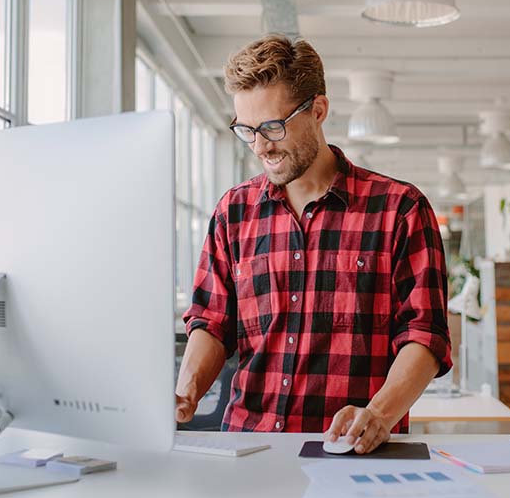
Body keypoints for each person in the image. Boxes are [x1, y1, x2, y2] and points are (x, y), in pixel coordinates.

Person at [176, 34, 451, 454]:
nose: (260, 145)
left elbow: (424, 335)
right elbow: (212, 321)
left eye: (272, 126)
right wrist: (185, 394)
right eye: (246, 130)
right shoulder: (233, 212)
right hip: (248, 448)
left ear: (318, 110)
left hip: (352, 452)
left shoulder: (400, 209)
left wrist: (377, 414)